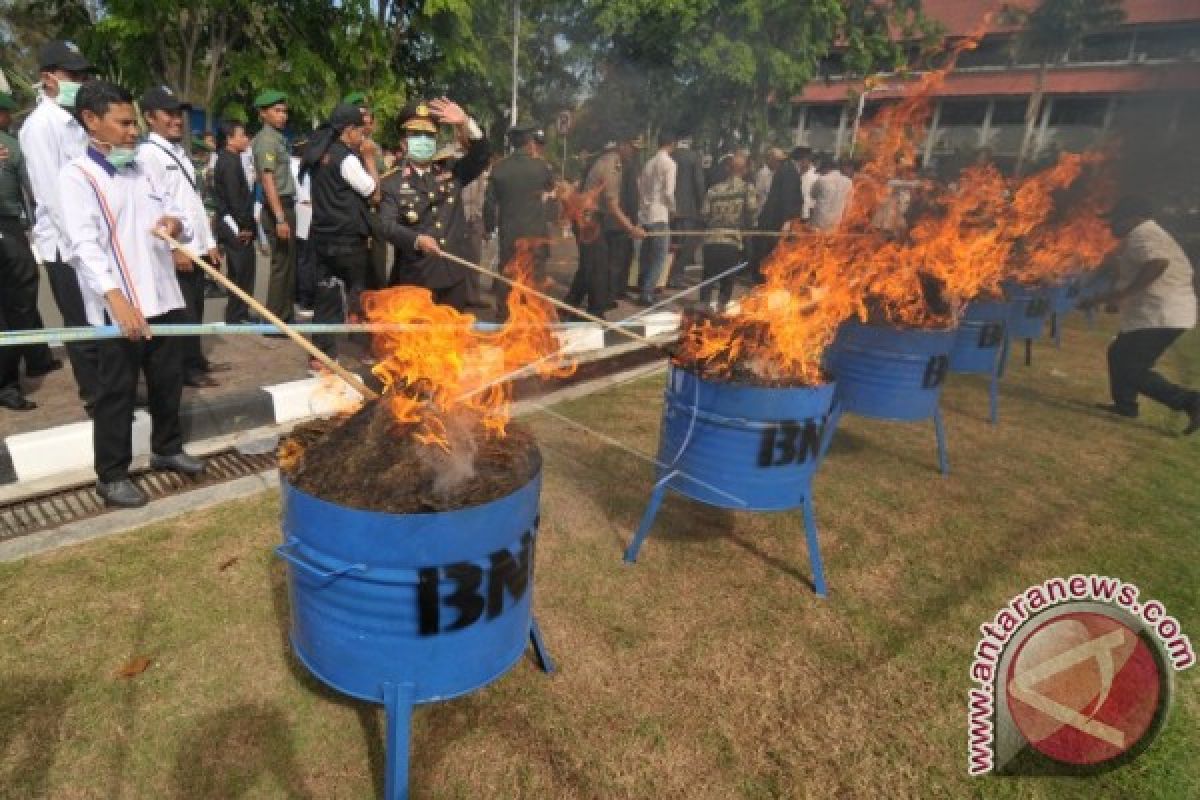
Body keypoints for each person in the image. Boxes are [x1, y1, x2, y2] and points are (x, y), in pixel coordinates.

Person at [60, 79, 205, 508]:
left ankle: (167, 448)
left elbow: (176, 212)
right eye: (122, 123)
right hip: (118, 307)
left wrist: (175, 226)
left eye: (133, 122)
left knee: (167, 380)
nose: (132, 131)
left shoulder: (142, 166)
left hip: (162, 295)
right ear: (91, 121)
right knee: (116, 392)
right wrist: (115, 298)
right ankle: (111, 474)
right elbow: (83, 246)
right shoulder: (77, 177)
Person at [20, 39, 98, 412]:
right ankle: (96, 396)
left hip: (92, 239)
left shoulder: (79, 121)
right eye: (73, 75)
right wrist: (84, 244)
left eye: (83, 75)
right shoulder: (39, 127)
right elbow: (51, 195)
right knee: (81, 324)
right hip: (66, 246)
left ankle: (113, 389)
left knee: (102, 319)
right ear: (48, 78)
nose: (80, 81)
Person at [1082, 196, 1200, 434]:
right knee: (1118, 354)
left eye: (1117, 219)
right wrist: (1116, 297)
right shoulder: (1147, 235)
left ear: (1133, 218)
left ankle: (1190, 401)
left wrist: (1123, 295)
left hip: (1161, 314)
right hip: (1163, 312)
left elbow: (1158, 263)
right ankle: (1125, 405)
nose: (1113, 225)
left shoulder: (1144, 235)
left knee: (1132, 368)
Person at [137, 85, 228, 389]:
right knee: (184, 311)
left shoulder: (177, 151)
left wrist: (209, 243)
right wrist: (176, 249)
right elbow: (158, 207)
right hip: (178, 248)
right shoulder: (148, 155)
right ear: (150, 117)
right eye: (169, 114)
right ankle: (186, 368)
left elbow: (192, 203)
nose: (177, 119)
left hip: (195, 245)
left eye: (179, 114)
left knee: (196, 307)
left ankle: (195, 359)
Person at [379, 99, 489, 310]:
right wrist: (417, 239)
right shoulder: (391, 182)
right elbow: (386, 225)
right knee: (417, 340)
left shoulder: (452, 171)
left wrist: (464, 122)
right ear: (404, 143)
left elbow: (481, 156)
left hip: (453, 275)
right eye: (416, 135)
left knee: (452, 337)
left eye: (429, 135)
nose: (423, 140)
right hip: (416, 277)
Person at [301, 103, 380, 364]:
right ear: (348, 131)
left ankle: (319, 354)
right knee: (360, 295)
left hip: (323, 237)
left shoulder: (319, 153)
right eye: (361, 131)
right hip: (347, 240)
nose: (363, 136)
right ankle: (367, 350)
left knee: (326, 295)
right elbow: (374, 193)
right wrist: (368, 158)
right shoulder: (346, 159)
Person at [0, 91, 61, 411]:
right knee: (21, 299)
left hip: (10, 228)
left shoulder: (9, 146)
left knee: (19, 299)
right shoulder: (10, 146)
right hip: (10, 228)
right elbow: (33, 189)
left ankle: (33, 360)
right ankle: (14, 376)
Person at [565, 135, 645, 318]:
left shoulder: (607, 160)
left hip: (589, 219)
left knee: (590, 265)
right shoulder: (613, 164)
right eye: (633, 148)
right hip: (588, 220)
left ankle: (570, 304)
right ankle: (595, 311)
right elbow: (612, 204)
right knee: (597, 266)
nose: (635, 153)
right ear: (622, 145)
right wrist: (631, 228)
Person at [484, 120, 554, 315]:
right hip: (535, 235)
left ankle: (506, 316)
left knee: (508, 276)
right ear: (530, 141)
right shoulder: (542, 167)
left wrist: (489, 228)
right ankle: (534, 317)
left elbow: (489, 204)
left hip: (510, 235)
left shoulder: (499, 169)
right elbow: (550, 192)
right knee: (535, 278)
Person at [251, 90, 297, 323]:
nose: (283, 116)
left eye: (284, 111)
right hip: (278, 206)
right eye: (277, 111)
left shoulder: (277, 137)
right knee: (281, 265)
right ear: (263, 114)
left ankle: (284, 316)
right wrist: (279, 218)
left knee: (288, 263)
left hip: (284, 204)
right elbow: (268, 180)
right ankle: (274, 319)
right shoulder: (267, 140)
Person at [344, 91, 389, 292]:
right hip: (354, 213)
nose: (365, 125)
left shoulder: (375, 148)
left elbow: (382, 176)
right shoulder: (345, 150)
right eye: (360, 120)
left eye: (368, 121)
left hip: (376, 210)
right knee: (356, 269)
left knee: (378, 263)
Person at [212, 120, 256, 324]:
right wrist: (244, 226)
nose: (246, 139)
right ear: (230, 139)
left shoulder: (232, 158)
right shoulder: (228, 162)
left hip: (236, 221)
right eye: (242, 135)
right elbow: (234, 199)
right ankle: (236, 315)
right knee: (240, 271)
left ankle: (240, 313)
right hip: (234, 224)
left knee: (244, 270)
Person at [699, 153, 756, 312]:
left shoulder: (713, 190)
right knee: (726, 280)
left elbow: (704, 213)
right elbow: (751, 212)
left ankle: (702, 311)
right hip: (731, 241)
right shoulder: (747, 188)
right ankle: (720, 311)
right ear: (744, 170)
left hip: (710, 240)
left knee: (708, 278)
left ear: (728, 169)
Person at [754, 146, 814, 281]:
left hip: (775, 219)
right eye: (809, 161)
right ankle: (766, 280)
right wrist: (787, 222)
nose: (809, 165)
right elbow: (787, 198)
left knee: (771, 252)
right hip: (777, 220)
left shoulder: (787, 169)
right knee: (773, 252)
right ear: (803, 160)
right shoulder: (790, 172)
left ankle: (766, 278)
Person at [635, 131, 677, 305]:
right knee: (659, 256)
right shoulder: (669, 163)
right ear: (672, 144)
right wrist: (674, 209)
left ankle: (641, 286)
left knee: (646, 254)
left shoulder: (649, 163)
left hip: (645, 215)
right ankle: (647, 292)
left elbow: (641, 189)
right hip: (660, 214)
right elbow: (668, 192)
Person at [666, 132, 706, 288]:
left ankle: (665, 276)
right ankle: (676, 276)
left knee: (672, 245)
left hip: (671, 208)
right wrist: (703, 204)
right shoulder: (694, 157)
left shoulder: (670, 154)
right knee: (687, 244)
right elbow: (698, 182)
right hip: (688, 210)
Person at [290, 136, 316, 316]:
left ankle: (303, 296)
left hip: (309, 212)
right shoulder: (293, 166)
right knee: (304, 258)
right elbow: (301, 193)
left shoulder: (307, 166)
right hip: (302, 212)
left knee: (305, 257)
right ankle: (303, 298)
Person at [810, 156, 854, 232]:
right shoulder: (848, 182)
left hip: (819, 221)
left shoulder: (822, 180)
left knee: (815, 242)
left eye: (821, 171)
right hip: (836, 222)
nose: (821, 173)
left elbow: (812, 195)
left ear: (826, 169)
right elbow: (848, 204)